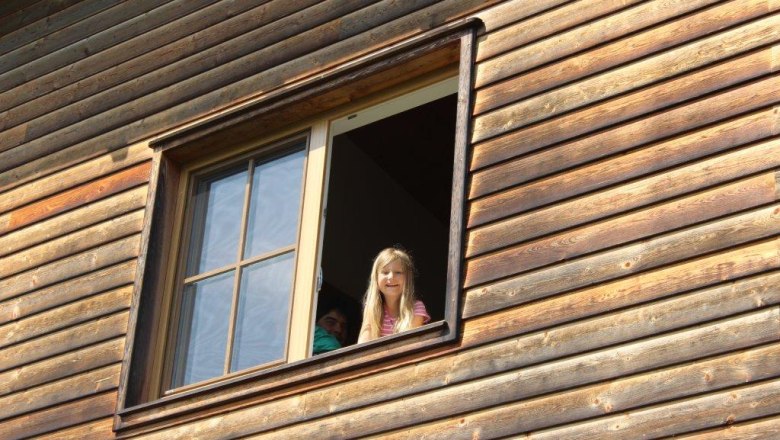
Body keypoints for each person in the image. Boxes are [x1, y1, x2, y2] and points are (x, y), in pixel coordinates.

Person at [358, 247, 430, 343]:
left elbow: (408, 344)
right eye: (385, 272)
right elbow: (363, 346)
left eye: (398, 272)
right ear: (376, 278)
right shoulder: (371, 308)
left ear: (407, 279)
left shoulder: (416, 307)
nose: (391, 277)